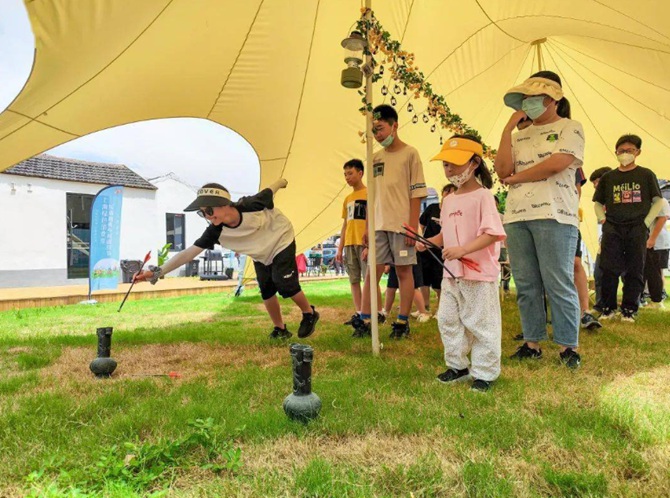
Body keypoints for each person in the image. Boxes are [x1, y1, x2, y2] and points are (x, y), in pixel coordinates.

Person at [134, 179, 320, 339]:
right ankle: (280, 329)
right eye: (202, 213)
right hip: (260, 253)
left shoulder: (250, 204)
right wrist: (157, 272)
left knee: (284, 282)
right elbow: (189, 253)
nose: (207, 216)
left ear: (224, 204)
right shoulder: (215, 231)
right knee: (266, 289)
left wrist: (282, 181)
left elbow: (270, 190)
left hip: (280, 238)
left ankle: (309, 313)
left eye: (208, 210)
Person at [494, 70, 584, 369]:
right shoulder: (520, 135)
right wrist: (508, 129)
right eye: (525, 99)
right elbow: (501, 170)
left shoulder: (570, 127)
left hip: (556, 215)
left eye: (534, 98)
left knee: (558, 282)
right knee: (527, 283)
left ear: (551, 99)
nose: (528, 104)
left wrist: (516, 178)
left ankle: (567, 346)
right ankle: (531, 343)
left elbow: (557, 164)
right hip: (518, 216)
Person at [418, 135, 506, 392]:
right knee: (446, 319)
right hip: (452, 274)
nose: (450, 170)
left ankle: (485, 373)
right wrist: (428, 242)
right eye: (446, 164)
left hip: (479, 274)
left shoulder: (484, 197)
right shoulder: (449, 200)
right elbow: (445, 235)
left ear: (475, 163)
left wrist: (463, 250)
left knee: (481, 323)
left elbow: (492, 233)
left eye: (455, 163)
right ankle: (457, 366)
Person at [352, 104, 428, 339]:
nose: (378, 135)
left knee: (404, 272)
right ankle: (365, 320)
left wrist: (412, 228)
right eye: (374, 131)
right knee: (370, 273)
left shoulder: (411, 154)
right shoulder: (374, 158)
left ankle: (402, 322)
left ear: (395, 125)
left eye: (381, 128)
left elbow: (417, 194)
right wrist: (367, 227)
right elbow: (371, 196)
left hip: (401, 226)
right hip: (377, 226)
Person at [594, 134, 664, 321]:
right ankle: (608, 308)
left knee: (635, 269)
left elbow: (658, 201)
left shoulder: (646, 174)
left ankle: (629, 310)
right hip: (612, 227)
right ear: (616, 152)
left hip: (637, 228)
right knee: (608, 268)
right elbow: (597, 203)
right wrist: (603, 221)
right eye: (621, 151)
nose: (625, 154)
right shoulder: (609, 177)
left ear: (638, 152)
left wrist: (646, 222)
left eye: (629, 150)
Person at [336, 159, 370, 324]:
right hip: (349, 243)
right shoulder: (347, 198)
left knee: (369, 278)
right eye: (345, 174)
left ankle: (374, 312)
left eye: (350, 173)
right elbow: (345, 224)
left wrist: (370, 244)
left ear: (360, 173)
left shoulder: (369, 193)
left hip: (364, 243)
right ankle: (359, 312)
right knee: (354, 280)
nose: (347, 177)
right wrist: (339, 248)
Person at [418, 184, 455, 315]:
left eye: (452, 193)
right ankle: (424, 307)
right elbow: (422, 225)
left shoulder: (453, 211)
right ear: (443, 193)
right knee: (424, 279)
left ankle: (441, 309)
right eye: (447, 192)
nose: (448, 195)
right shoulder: (432, 208)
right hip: (426, 250)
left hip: (442, 251)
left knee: (439, 280)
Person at [589, 167, 613, 311]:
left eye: (597, 182)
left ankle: (631, 305)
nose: (595, 186)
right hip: (605, 240)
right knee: (599, 273)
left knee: (623, 274)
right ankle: (600, 304)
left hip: (620, 240)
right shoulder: (600, 201)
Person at [643, 197, 670, 309]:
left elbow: (662, 218)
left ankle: (657, 300)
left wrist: (652, 239)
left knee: (654, 272)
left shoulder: (661, 201)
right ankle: (647, 298)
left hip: (657, 242)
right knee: (649, 271)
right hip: (651, 241)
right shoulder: (649, 201)